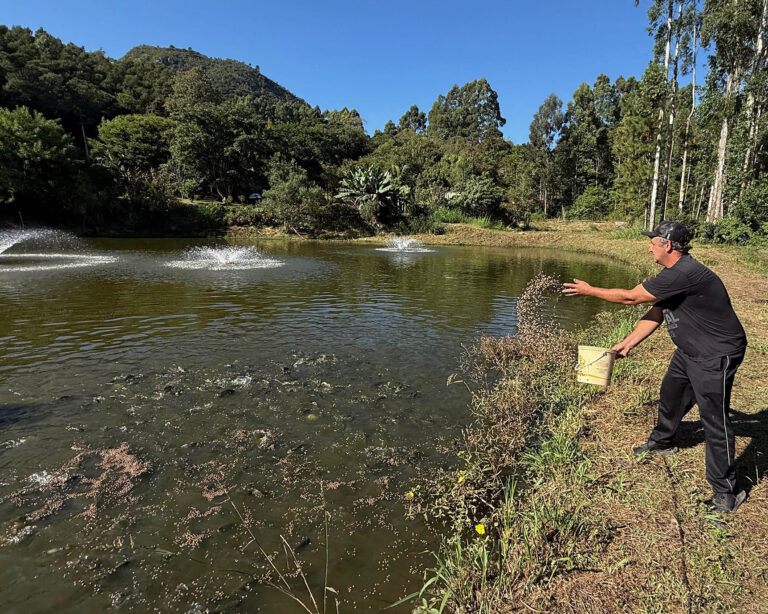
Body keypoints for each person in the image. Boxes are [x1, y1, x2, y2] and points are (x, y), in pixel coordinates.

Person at [562, 221, 748, 513]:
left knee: (715, 420)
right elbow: (657, 311)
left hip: (715, 354)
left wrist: (589, 290)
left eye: (653, 241)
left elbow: (630, 297)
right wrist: (627, 343)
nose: (649, 245)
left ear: (668, 245)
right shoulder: (673, 274)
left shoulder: (685, 273)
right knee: (671, 394)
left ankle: (725, 491)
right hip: (690, 350)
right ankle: (662, 441)